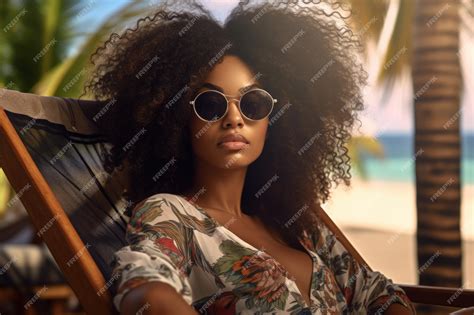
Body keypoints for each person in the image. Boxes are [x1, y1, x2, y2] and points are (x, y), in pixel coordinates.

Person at [84, 1, 416, 314]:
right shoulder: (171, 213)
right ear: (178, 120)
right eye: (210, 105)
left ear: (275, 120)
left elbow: (375, 293)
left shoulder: (298, 224)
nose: (234, 119)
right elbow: (146, 288)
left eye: (252, 103)